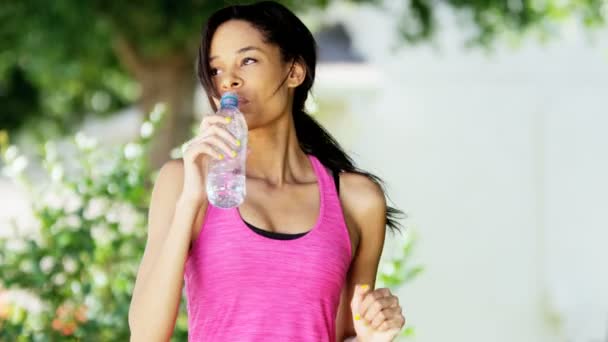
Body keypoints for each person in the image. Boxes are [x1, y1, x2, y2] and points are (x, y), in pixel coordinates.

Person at [128, 1, 406, 341]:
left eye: (248, 60)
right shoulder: (182, 181)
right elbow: (145, 335)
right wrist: (190, 201)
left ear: (294, 72)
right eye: (215, 70)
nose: (228, 80)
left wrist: (374, 335)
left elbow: (345, 333)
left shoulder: (357, 200)